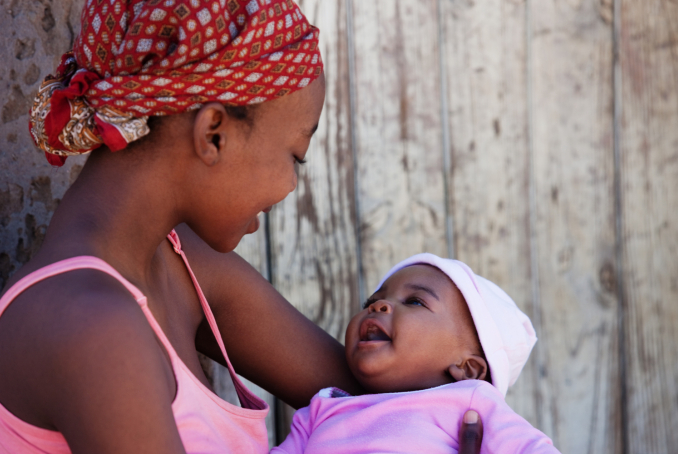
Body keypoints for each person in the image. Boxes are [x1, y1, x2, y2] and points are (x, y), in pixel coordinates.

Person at [0, 1, 484, 453]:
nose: (291, 186)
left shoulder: (184, 261)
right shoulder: (93, 328)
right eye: (295, 156)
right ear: (214, 134)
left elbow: (389, 393)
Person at [272, 253, 559, 454]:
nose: (379, 305)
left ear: (468, 369)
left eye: (415, 301)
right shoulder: (322, 409)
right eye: (372, 300)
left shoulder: (471, 404)